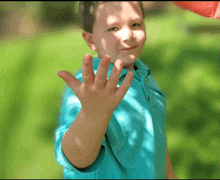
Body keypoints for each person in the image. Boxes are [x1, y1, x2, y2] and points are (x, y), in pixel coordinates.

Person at [54, 1, 178, 179]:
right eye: (113, 28)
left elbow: (155, 137)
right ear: (91, 40)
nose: (128, 35)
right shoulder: (89, 88)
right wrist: (92, 116)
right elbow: (76, 159)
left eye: (135, 24)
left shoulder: (145, 77)